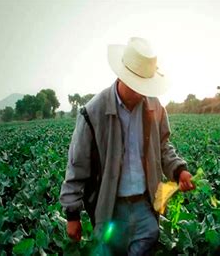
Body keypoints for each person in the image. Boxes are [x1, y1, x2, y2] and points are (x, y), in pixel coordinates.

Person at [59, 37, 195, 255]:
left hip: (145, 206)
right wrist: (72, 215)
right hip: (110, 209)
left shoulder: (154, 106)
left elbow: (163, 147)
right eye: (137, 86)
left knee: (147, 242)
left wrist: (179, 170)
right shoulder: (92, 112)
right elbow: (77, 166)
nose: (142, 93)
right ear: (123, 77)